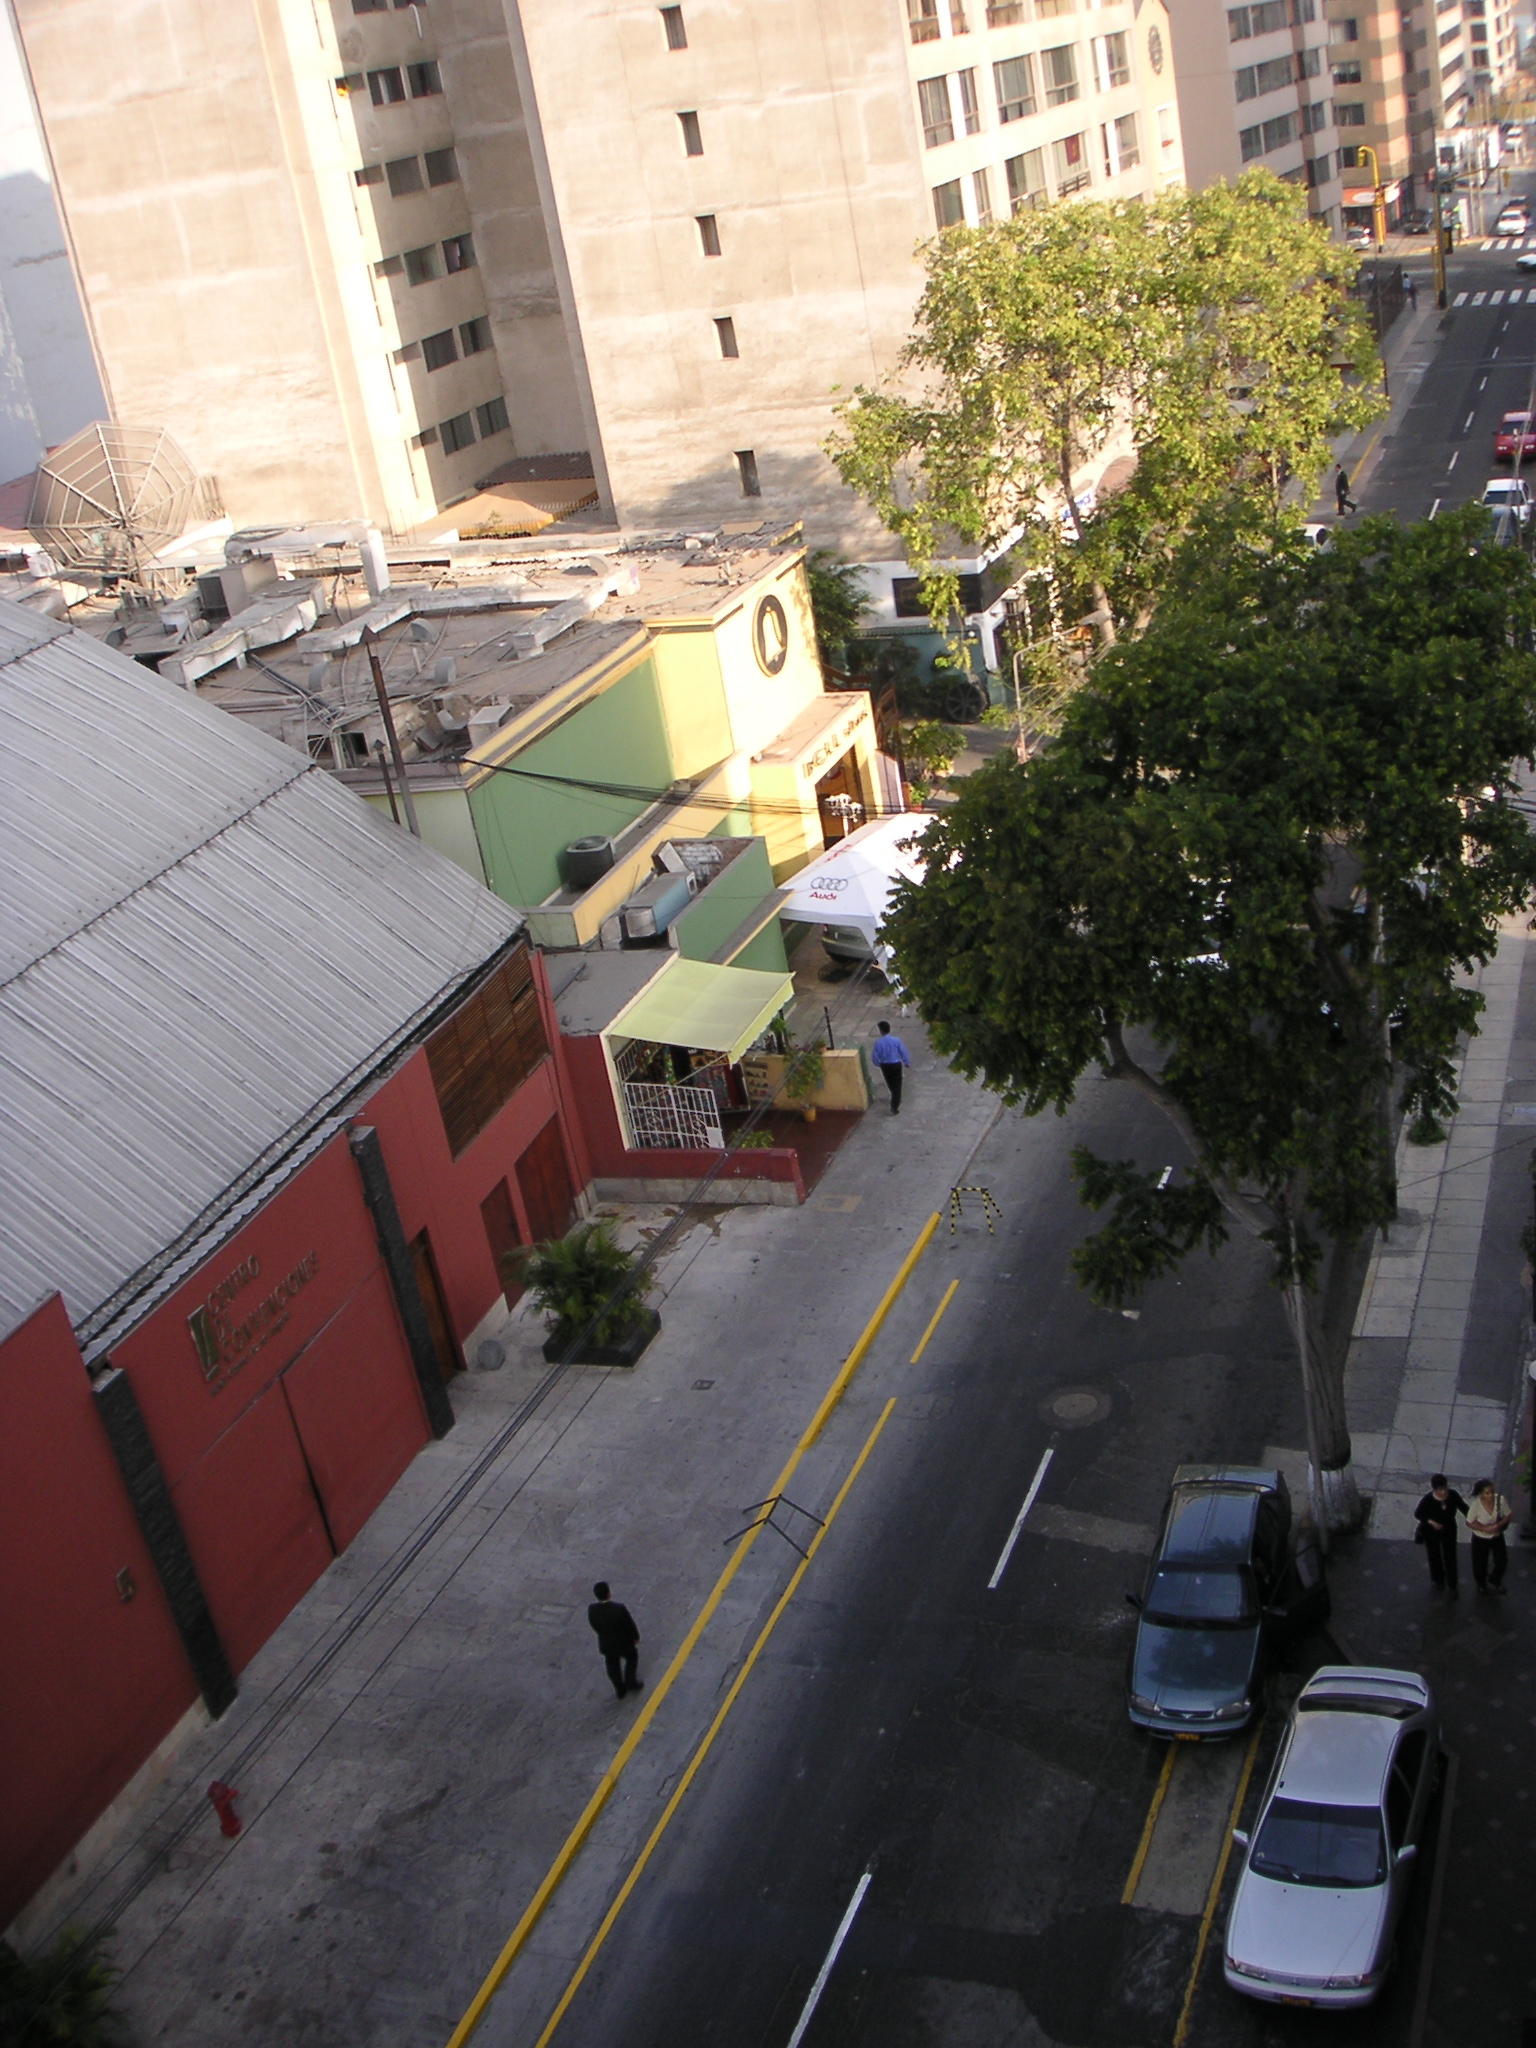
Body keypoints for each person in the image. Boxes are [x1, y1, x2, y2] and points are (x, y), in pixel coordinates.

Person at [1414, 1474, 1468, 1595]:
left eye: (1444, 1488)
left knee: (1450, 1556)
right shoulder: (1428, 1500)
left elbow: (1463, 1507)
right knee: (1434, 1555)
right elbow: (1418, 1514)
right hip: (1431, 1531)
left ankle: (1452, 1584)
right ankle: (1438, 1579)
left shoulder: (1452, 1495)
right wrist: (1432, 1522)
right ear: (1434, 1489)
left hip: (1449, 1529)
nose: (1443, 1492)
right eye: (1440, 1490)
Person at [587, 1581, 642, 1698]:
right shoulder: (619, 1609)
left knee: (612, 1666)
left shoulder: (592, 1609)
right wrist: (635, 1637)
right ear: (609, 1594)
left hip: (607, 1644)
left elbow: (593, 1625)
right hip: (624, 1643)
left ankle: (620, 1689)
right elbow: (629, 1624)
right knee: (632, 1658)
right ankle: (630, 1681)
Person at [1466, 1478, 1513, 1593]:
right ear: (1481, 1494)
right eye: (1487, 1493)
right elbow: (1469, 1522)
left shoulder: (1499, 1500)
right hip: (1480, 1538)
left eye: (1492, 1492)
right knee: (1479, 1563)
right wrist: (1484, 1529)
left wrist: (1497, 1525)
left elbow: (1508, 1515)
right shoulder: (1476, 1505)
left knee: (1502, 1561)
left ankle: (1495, 1579)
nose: (1491, 1495)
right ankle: (1481, 1584)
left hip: (1496, 1536)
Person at [871, 1020, 912, 1114]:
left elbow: (874, 1057)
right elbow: (903, 1051)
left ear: (880, 1031)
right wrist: (907, 1062)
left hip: (885, 1066)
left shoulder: (878, 1042)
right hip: (896, 1064)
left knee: (890, 1084)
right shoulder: (896, 1040)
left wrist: (879, 1064)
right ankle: (894, 1106)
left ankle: (894, 1097)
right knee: (897, 1086)